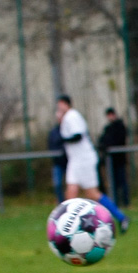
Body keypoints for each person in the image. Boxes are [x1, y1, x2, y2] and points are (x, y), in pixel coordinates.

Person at [55, 95, 130, 232]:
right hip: (76, 160)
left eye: (61, 105)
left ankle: (121, 217)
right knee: (70, 193)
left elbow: (77, 136)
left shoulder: (72, 115)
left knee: (93, 194)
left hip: (84, 159)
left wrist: (63, 138)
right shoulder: (67, 118)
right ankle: (68, 227)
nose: (59, 108)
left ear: (66, 104)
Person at [98, 107, 129, 207]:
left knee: (122, 182)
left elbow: (119, 140)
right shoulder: (108, 128)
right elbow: (102, 140)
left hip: (119, 159)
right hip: (110, 161)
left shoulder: (120, 126)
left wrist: (109, 145)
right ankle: (115, 202)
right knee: (113, 183)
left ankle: (125, 202)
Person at [47, 123, 67, 202]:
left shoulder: (70, 130)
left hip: (69, 162)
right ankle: (61, 203)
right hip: (58, 163)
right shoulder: (54, 132)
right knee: (57, 184)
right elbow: (51, 145)